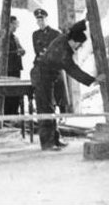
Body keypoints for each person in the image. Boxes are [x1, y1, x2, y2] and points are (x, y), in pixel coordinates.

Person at [31, 19, 103, 150]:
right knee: (45, 110)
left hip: (47, 76)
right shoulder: (63, 52)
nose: (78, 48)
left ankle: (55, 139)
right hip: (41, 77)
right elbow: (74, 70)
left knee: (50, 108)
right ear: (74, 42)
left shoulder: (65, 38)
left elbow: (74, 29)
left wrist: (85, 20)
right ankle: (48, 144)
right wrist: (93, 80)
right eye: (79, 45)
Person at [31, 8, 68, 117]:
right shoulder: (35, 34)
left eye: (42, 20)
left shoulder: (56, 33)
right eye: (38, 20)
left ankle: (63, 114)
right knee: (45, 92)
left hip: (55, 66)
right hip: (43, 67)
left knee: (59, 90)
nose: (40, 23)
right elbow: (37, 50)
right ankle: (47, 113)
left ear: (46, 20)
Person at [0, 15, 26, 115]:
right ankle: (7, 115)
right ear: (9, 24)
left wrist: (22, 51)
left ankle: (14, 114)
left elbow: (21, 49)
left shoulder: (15, 38)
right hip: (7, 70)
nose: (16, 27)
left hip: (16, 69)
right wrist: (15, 52)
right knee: (7, 93)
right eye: (15, 24)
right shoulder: (1, 38)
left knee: (15, 93)